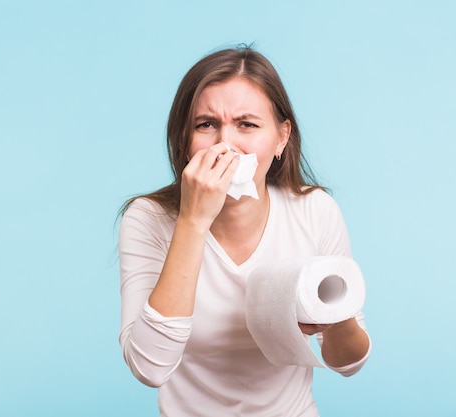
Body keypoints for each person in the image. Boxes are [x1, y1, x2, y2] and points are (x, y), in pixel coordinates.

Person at [118, 46, 371, 416]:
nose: (225, 144)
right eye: (206, 124)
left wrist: (333, 316)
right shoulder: (148, 219)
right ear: (184, 140)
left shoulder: (315, 210)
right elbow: (149, 367)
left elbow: (350, 363)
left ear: (281, 138)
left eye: (247, 124)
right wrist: (192, 221)